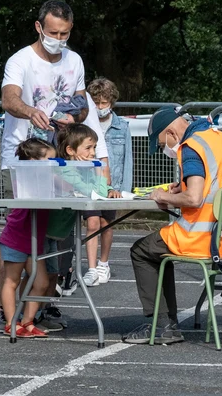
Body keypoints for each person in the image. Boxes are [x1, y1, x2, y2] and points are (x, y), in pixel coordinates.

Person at [0, 0, 107, 297]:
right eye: (53, 33)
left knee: (56, 236)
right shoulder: (20, 60)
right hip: (24, 161)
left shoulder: (74, 60)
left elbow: (82, 105)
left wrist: (75, 118)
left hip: (59, 162)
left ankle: (43, 303)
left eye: (64, 34)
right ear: (39, 27)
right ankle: (5, 309)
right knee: (18, 239)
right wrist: (30, 111)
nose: (59, 39)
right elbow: (9, 99)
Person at [122, 107, 222, 345]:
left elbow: (194, 199)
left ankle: (163, 325)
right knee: (157, 249)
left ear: (171, 133)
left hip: (200, 236)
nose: (165, 149)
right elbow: (217, 184)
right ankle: (166, 323)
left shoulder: (191, 147)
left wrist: (164, 196)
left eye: (162, 144)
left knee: (141, 250)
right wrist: (182, 187)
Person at [0, 138, 55, 338]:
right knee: (11, 280)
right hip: (17, 237)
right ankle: (11, 323)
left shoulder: (47, 178)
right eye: (49, 160)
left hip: (34, 239)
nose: (53, 164)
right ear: (32, 161)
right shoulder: (24, 178)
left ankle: (27, 321)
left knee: (41, 282)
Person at [82, 78, 133, 288]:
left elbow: (127, 159)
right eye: (96, 103)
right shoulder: (85, 125)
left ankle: (104, 263)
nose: (100, 107)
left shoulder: (122, 127)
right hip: (89, 183)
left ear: (111, 102)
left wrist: (124, 189)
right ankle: (91, 267)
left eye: (104, 103)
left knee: (107, 223)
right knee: (92, 222)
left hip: (113, 185)